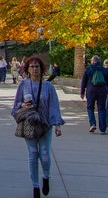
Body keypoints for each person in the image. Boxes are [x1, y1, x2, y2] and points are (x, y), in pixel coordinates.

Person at [11, 55, 64, 197]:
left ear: (42, 69)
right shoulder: (23, 85)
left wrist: (57, 124)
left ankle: (46, 177)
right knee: (33, 155)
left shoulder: (48, 87)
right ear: (28, 69)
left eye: (37, 66)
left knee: (45, 155)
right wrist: (22, 105)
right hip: (29, 124)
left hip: (45, 125)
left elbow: (54, 106)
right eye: (32, 66)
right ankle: (35, 186)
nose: (35, 69)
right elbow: (15, 105)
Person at [79, 55, 108, 133]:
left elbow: (84, 81)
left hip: (91, 91)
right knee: (102, 108)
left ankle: (92, 124)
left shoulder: (88, 69)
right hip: (102, 91)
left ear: (92, 61)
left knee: (90, 107)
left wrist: (82, 92)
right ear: (99, 62)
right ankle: (103, 129)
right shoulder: (104, 70)